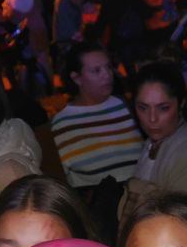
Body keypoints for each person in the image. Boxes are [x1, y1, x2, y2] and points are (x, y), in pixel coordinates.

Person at [125, 60, 187, 215]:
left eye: (163, 108)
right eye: (143, 108)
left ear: (181, 103)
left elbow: (182, 226)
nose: (152, 118)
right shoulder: (154, 142)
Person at [54, 43, 148, 190]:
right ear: (76, 78)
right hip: (99, 208)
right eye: (96, 70)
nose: (107, 75)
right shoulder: (62, 123)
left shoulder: (126, 106)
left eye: (108, 67)